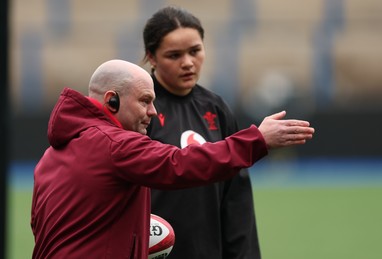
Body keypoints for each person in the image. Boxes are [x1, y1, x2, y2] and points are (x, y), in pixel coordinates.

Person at [30, 59, 314, 259]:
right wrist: (257, 140)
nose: (152, 111)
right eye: (144, 100)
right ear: (111, 100)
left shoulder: (51, 155)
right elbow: (179, 164)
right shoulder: (114, 145)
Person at [141, 6, 260, 258]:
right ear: (151, 57)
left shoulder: (215, 108)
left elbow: (236, 199)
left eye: (195, 51)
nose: (188, 63)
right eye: (174, 55)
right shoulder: (139, 107)